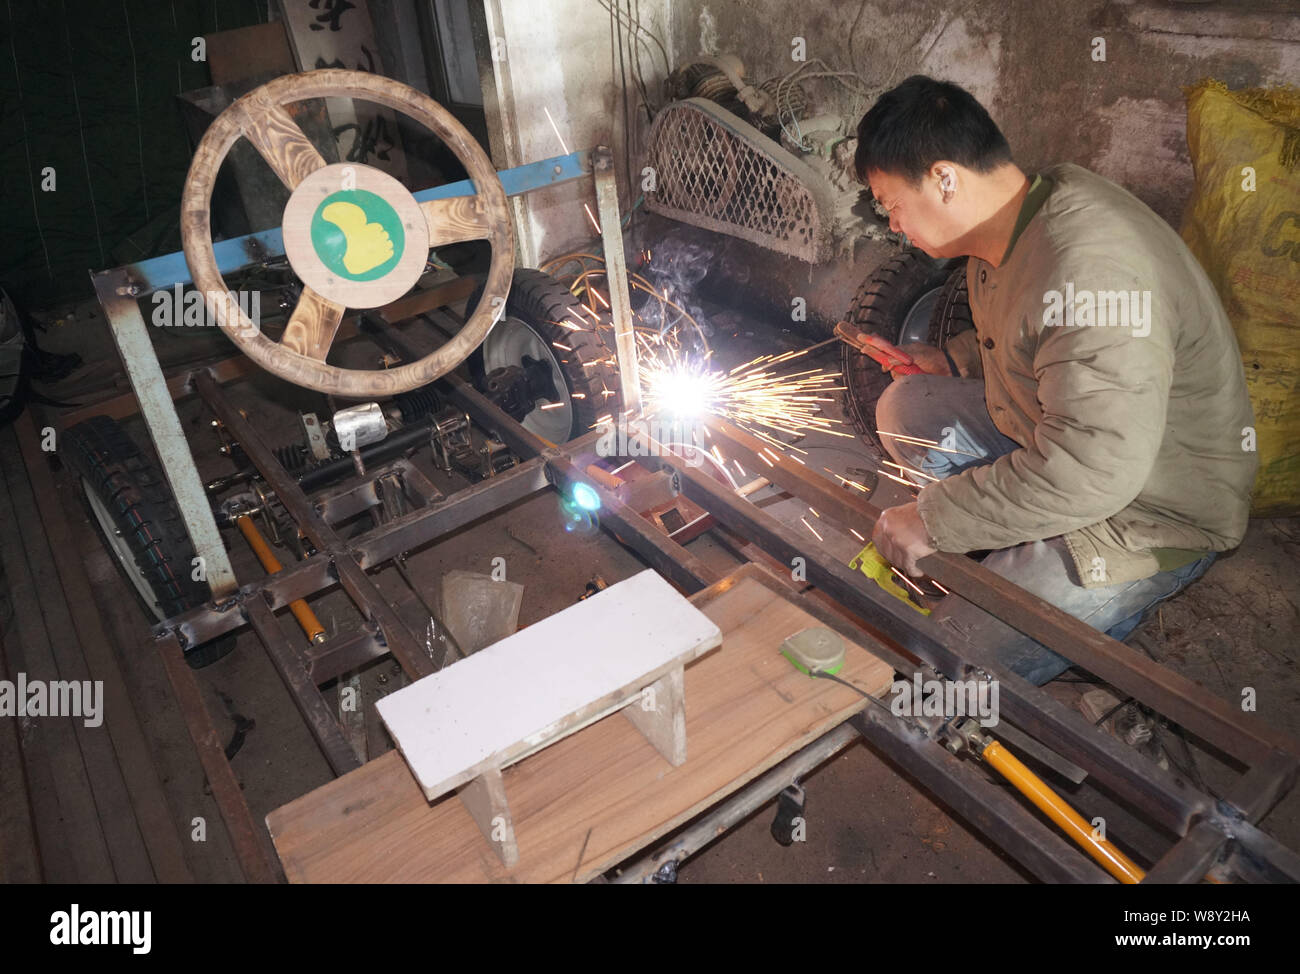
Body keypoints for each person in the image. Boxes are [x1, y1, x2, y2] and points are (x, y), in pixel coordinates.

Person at [854, 75, 1257, 686]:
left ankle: (1083, 584)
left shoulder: (1090, 265)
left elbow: (1093, 469)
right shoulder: (1026, 212)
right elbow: (1037, 329)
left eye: (890, 205)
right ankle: (1018, 532)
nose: (893, 225)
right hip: (1060, 434)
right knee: (908, 408)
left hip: (1151, 503)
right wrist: (955, 359)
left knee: (950, 658)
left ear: (944, 178)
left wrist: (937, 517)